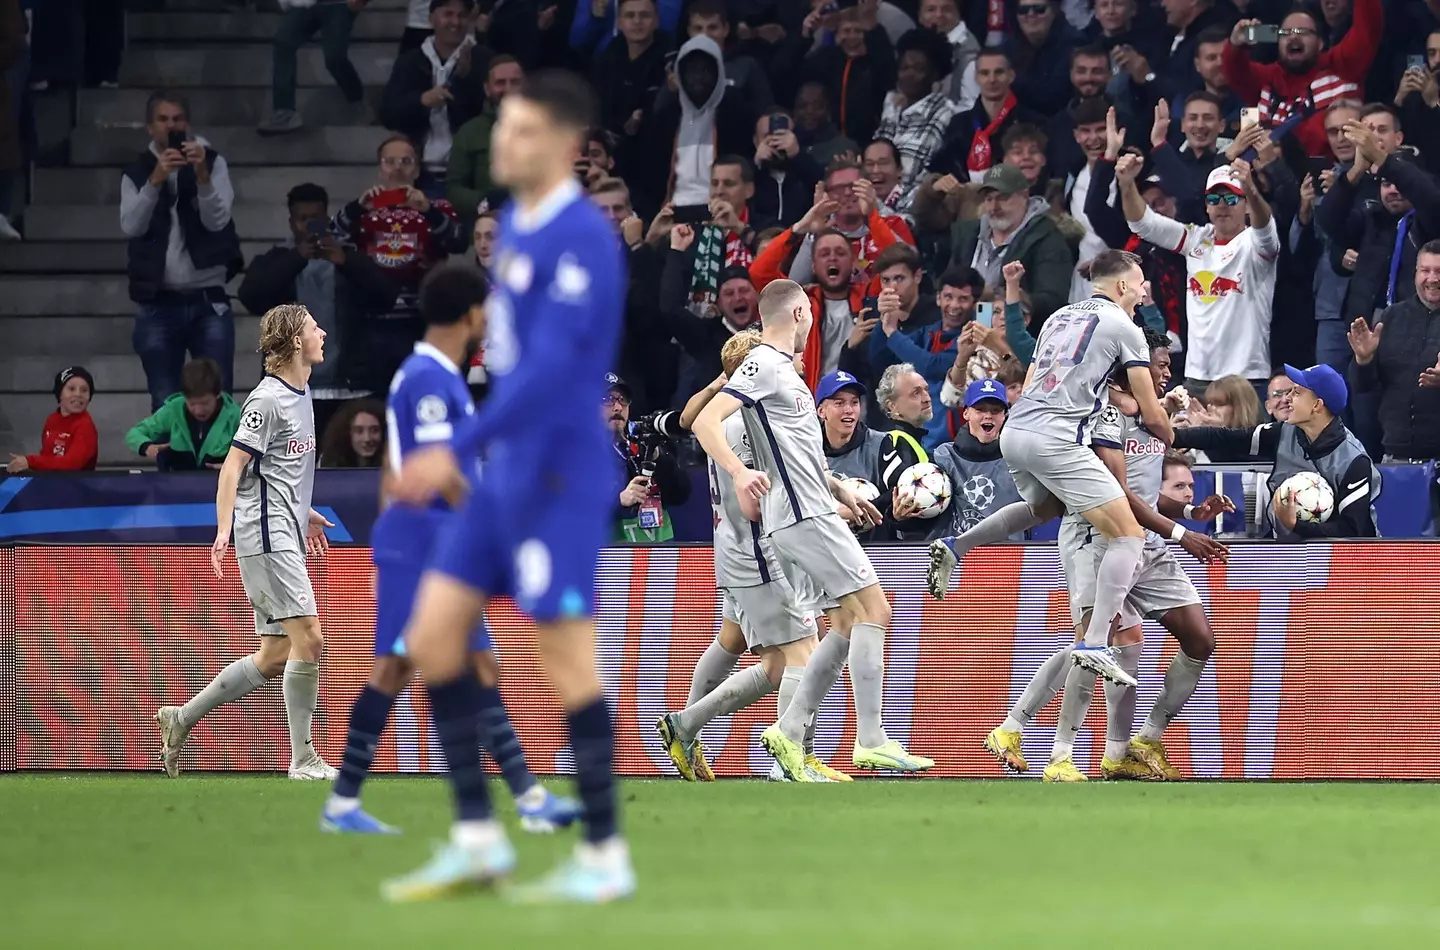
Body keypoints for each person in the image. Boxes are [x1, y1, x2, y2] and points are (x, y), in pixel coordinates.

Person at [381, 70, 632, 903]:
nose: (504, 144)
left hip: (557, 475)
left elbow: (559, 368)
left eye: (522, 132)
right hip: (505, 476)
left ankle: (603, 854)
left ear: (563, 146)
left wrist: (462, 441)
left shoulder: (583, 237)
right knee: (434, 636)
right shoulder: (517, 229)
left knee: (561, 657)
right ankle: (479, 840)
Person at [320, 262, 581, 835]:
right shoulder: (431, 379)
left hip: (430, 542)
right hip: (423, 544)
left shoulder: (426, 376)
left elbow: (396, 468)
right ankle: (344, 803)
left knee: (473, 664)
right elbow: (437, 472)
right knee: (395, 667)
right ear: (469, 314)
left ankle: (529, 800)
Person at [692, 277, 932, 779]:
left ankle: (789, 730)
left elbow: (797, 454)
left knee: (847, 622)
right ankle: (871, 739)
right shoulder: (764, 364)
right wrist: (739, 472)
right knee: (875, 608)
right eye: (810, 317)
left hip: (810, 508)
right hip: (799, 516)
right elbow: (704, 421)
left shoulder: (784, 372)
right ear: (800, 313)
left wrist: (840, 489)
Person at [982, 328, 1231, 782]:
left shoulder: (1154, 418)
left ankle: (1140, 742)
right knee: (1095, 644)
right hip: (1101, 537)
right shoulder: (1099, 416)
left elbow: (1148, 491)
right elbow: (1117, 495)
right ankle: (1055, 753)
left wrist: (1193, 510)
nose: (1166, 373)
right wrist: (1183, 534)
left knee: (1198, 640)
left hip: (1146, 541)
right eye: (1158, 364)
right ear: (1128, 372)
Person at [929, 249, 1173, 687]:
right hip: (1058, 437)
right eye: (1138, 286)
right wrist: (1170, 433)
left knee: (1046, 507)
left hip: (1017, 427)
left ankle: (957, 546)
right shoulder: (1125, 326)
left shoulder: (1059, 317)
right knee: (1129, 534)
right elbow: (1152, 415)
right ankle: (1096, 643)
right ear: (1120, 286)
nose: (1141, 294)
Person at [154, 305, 337, 781]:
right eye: (314, 327)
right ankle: (303, 759)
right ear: (296, 342)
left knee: (276, 654)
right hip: (266, 536)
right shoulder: (268, 400)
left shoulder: (302, 392)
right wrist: (222, 531)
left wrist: (305, 511)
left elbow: (275, 471)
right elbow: (233, 468)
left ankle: (181, 718)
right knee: (311, 638)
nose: (322, 332)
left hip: (284, 529)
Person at [656, 331, 848, 785]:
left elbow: (689, 418)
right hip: (760, 548)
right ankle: (789, 756)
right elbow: (763, 497)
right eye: (782, 354)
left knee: (738, 640)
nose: (793, 358)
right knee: (800, 653)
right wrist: (834, 508)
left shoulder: (724, 413)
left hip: (736, 545)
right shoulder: (747, 419)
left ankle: (687, 726)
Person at [239, 182, 401, 424]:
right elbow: (251, 297)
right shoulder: (277, 260)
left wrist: (347, 262)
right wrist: (296, 259)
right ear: (291, 222)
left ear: (327, 218)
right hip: (291, 386)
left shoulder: (349, 258)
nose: (308, 225)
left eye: (315, 218)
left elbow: (386, 297)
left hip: (350, 388)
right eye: (302, 219)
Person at [121, 90, 243, 411]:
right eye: (162, 120)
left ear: (187, 124)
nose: (170, 126)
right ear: (150, 127)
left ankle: (221, 463)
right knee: (165, 401)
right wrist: (156, 180)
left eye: (176, 119)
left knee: (219, 397)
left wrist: (201, 175)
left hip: (208, 300)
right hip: (158, 302)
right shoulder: (137, 169)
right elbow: (131, 226)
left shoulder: (212, 162)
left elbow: (218, 221)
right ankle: (171, 463)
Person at [1120, 153, 1278, 399]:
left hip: (1246, 377)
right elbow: (1142, 223)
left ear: (1246, 204)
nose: (1222, 204)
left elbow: (1265, 230)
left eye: (1231, 197)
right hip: (1198, 378)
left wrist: (1253, 191)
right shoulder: (1196, 238)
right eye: (1214, 198)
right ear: (1206, 206)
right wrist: (1126, 183)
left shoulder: (1254, 243)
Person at [1174, 364, 1381, 540]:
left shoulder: (1354, 461)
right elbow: (1226, 438)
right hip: (1289, 554)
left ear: (1317, 405)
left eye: (1297, 392)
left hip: (1348, 564)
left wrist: (1296, 525)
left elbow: (1352, 531)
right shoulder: (1284, 432)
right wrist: (1171, 437)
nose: (1288, 398)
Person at [1223, 0, 1381, 157]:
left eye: (1302, 32)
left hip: (1328, 176)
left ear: (1320, 42)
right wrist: (1235, 46)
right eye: (1285, 33)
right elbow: (1235, 71)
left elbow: (1367, 27)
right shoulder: (1267, 78)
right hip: (1267, 174)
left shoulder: (1342, 66)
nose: (1293, 37)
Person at [1348, 242, 1440, 463]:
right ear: (1415, 273)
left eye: (1439, 271)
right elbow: (1363, 387)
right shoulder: (1392, 317)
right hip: (1396, 457)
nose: (1433, 279)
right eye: (1425, 271)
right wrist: (1364, 360)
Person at [380, 0, 489, 186]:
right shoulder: (410, 61)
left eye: (461, 15)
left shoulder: (483, 58)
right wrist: (421, 100)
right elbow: (388, 114)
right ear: (431, 19)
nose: (455, 22)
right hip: (420, 172)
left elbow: (485, 112)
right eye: (448, 14)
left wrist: (465, 79)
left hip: (468, 172)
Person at [928, 379, 1024, 540]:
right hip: (958, 558)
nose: (988, 415)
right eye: (980, 409)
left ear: (1004, 415)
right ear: (966, 413)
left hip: (1010, 558)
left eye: (995, 411)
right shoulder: (943, 457)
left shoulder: (1019, 459)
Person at [259, 0, 369, 135]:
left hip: (339, 4)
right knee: (283, 43)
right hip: (305, 4)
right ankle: (284, 112)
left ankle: (356, 100)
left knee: (334, 58)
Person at [124, 357, 239, 471]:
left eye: (205, 403)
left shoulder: (236, 415)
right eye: (192, 403)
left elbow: (254, 450)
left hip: (220, 482)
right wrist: (146, 446)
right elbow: (135, 433)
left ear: (218, 394)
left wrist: (237, 466)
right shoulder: (174, 409)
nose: (198, 410)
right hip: (177, 482)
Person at [7, 366, 98, 472]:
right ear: (60, 394)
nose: (78, 394)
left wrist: (30, 462)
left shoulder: (85, 426)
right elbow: (47, 457)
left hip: (77, 487)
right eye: (71, 389)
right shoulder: (52, 420)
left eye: (84, 390)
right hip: (52, 484)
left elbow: (72, 465)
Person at [319, 399, 385, 467]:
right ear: (347, 433)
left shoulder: (394, 467)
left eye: (374, 430)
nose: (367, 438)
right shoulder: (328, 462)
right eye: (359, 431)